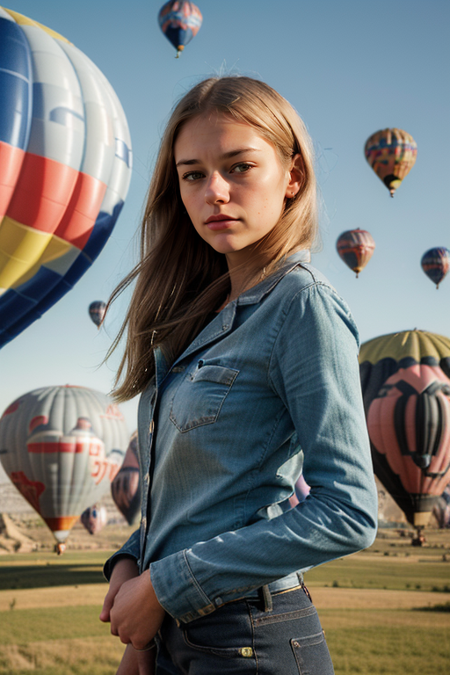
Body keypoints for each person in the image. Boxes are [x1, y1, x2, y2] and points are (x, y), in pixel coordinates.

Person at [100, 75, 378, 675]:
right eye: (193, 173)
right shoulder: (198, 319)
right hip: (175, 639)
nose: (214, 192)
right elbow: (198, 496)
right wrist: (132, 569)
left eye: (239, 167)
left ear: (293, 177)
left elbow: (349, 510)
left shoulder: (301, 306)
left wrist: (163, 588)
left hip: (251, 641)